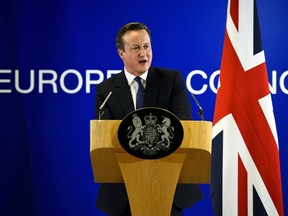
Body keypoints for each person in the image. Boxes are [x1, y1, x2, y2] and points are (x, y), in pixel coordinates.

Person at [95, 22, 202, 216]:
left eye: (146, 46)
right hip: (123, 193)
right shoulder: (106, 90)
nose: (143, 53)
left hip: (168, 187)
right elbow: (106, 137)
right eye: (135, 48)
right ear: (121, 54)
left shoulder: (171, 80)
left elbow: (183, 125)